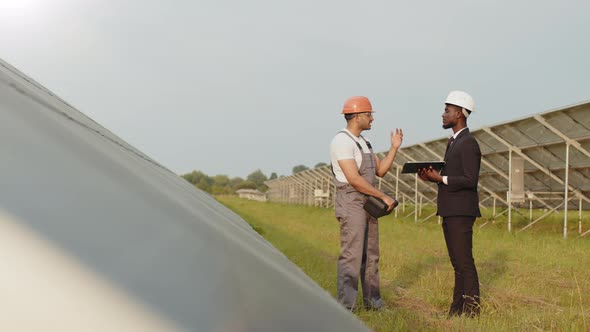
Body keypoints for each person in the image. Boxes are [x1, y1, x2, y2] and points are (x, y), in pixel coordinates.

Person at [330, 96, 403, 311]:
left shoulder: (364, 142)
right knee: (352, 255)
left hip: (367, 202)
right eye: (369, 114)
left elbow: (380, 171)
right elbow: (354, 179)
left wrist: (394, 148)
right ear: (357, 116)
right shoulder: (342, 141)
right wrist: (382, 196)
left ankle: (374, 303)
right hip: (351, 201)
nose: (372, 118)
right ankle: (346, 308)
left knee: (371, 255)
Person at [418, 90, 482, 317]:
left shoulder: (468, 143)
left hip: (461, 212)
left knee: (465, 262)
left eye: (447, 111)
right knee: (457, 263)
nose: (443, 115)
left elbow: (470, 179)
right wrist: (432, 178)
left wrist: (440, 178)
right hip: (451, 209)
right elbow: (452, 178)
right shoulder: (454, 142)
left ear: (459, 114)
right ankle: (457, 309)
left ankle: (472, 311)